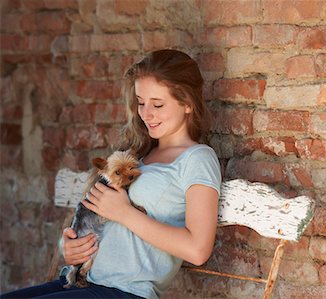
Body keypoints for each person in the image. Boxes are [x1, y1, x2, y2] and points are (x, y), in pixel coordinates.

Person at [1, 49, 222, 299]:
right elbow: (102, 222)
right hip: (80, 282)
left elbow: (197, 250)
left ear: (188, 103)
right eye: (141, 102)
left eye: (157, 104)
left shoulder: (197, 158)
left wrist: (124, 213)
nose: (146, 114)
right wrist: (71, 248)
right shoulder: (136, 154)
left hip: (124, 291)